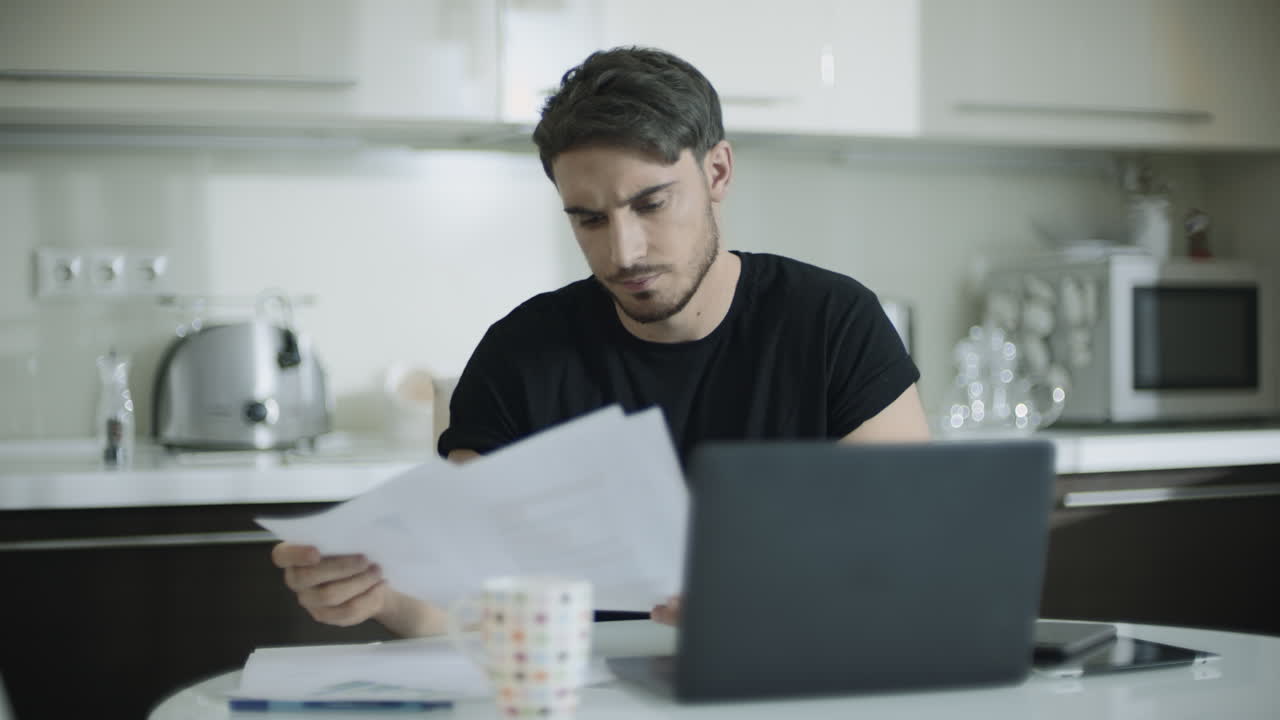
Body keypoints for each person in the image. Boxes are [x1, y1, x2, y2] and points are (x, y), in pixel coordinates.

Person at [272, 46, 931, 636]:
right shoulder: (519, 355)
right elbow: (473, 605)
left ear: (718, 172)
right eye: (589, 219)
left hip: (788, 679)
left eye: (650, 204)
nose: (624, 252)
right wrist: (388, 598)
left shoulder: (832, 322)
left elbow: (911, 553)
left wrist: (770, 604)